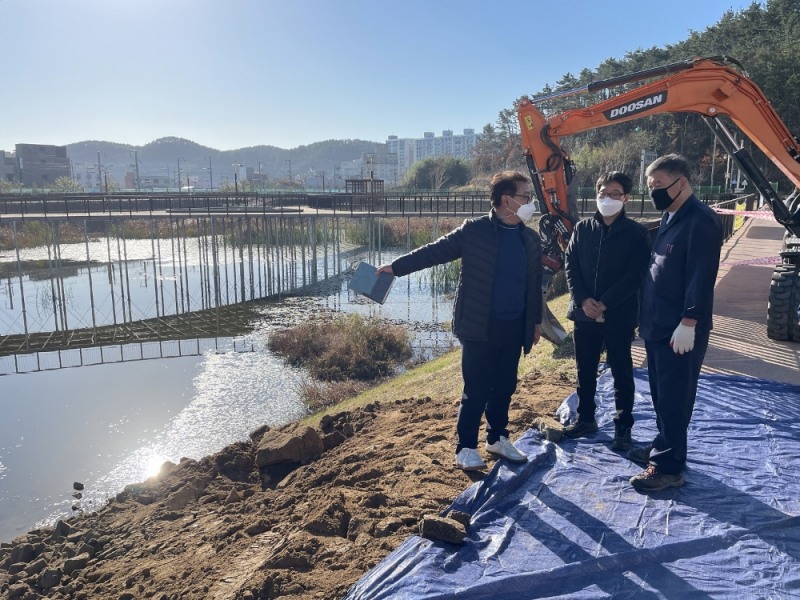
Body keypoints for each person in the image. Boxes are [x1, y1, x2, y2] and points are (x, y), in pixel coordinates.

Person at [377, 170, 543, 471]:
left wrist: (534, 323)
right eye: (525, 196)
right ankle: (466, 447)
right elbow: (435, 252)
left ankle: (497, 437)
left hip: (514, 325)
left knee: (505, 385)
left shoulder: (529, 239)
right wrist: (396, 267)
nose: (530, 202)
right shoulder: (474, 231)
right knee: (476, 389)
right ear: (506, 200)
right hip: (479, 325)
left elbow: (534, 284)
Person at [629, 153, 723, 492]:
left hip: (679, 329)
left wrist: (690, 320)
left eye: (657, 186)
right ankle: (662, 444)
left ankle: (668, 466)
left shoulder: (701, 221)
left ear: (680, 183)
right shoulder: (671, 216)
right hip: (657, 323)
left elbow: (701, 275)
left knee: (674, 396)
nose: (653, 192)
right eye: (650, 186)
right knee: (660, 393)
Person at [561, 171, 650, 451]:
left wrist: (606, 302)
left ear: (625, 198)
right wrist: (584, 299)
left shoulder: (637, 233)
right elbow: (571, 265)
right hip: (584, 313)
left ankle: (623, 426)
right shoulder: (582, 228)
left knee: (621, 371)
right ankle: (586, 418)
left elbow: (635, 275)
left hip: (618, 314)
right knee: (584, 368)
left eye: (614, 194)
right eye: (603, 193)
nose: (607, 199)